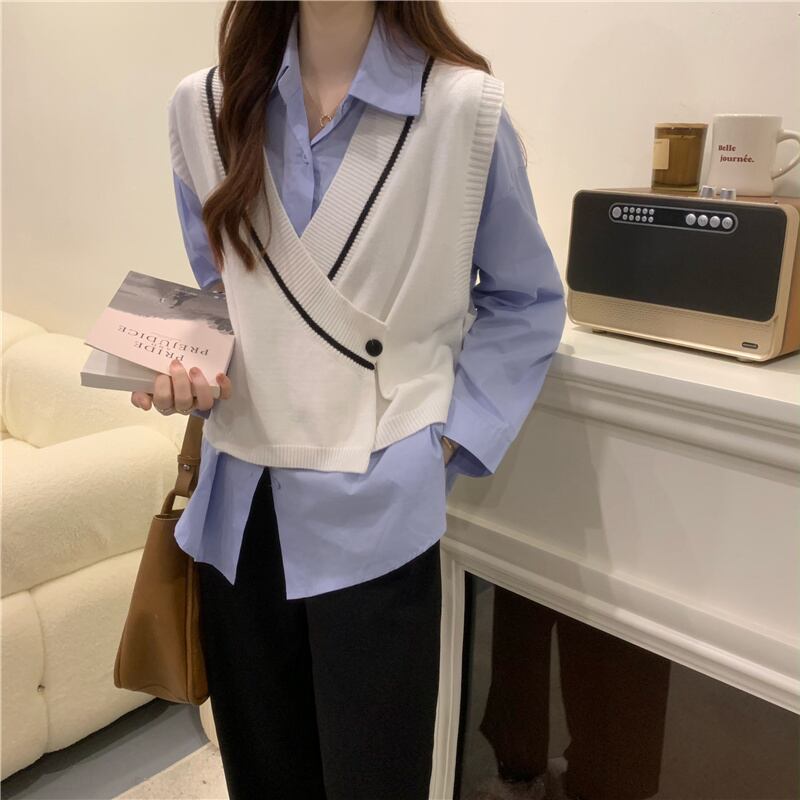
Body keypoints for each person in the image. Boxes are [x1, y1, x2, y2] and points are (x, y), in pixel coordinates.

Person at [132, 1, 566, 798]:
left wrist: (440, 447)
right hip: (238, 514)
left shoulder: (463, 112)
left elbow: (525, 301)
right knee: (262, 779)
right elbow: (224, 298)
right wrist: (188, 371)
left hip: (377, 514)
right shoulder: (202, 108)